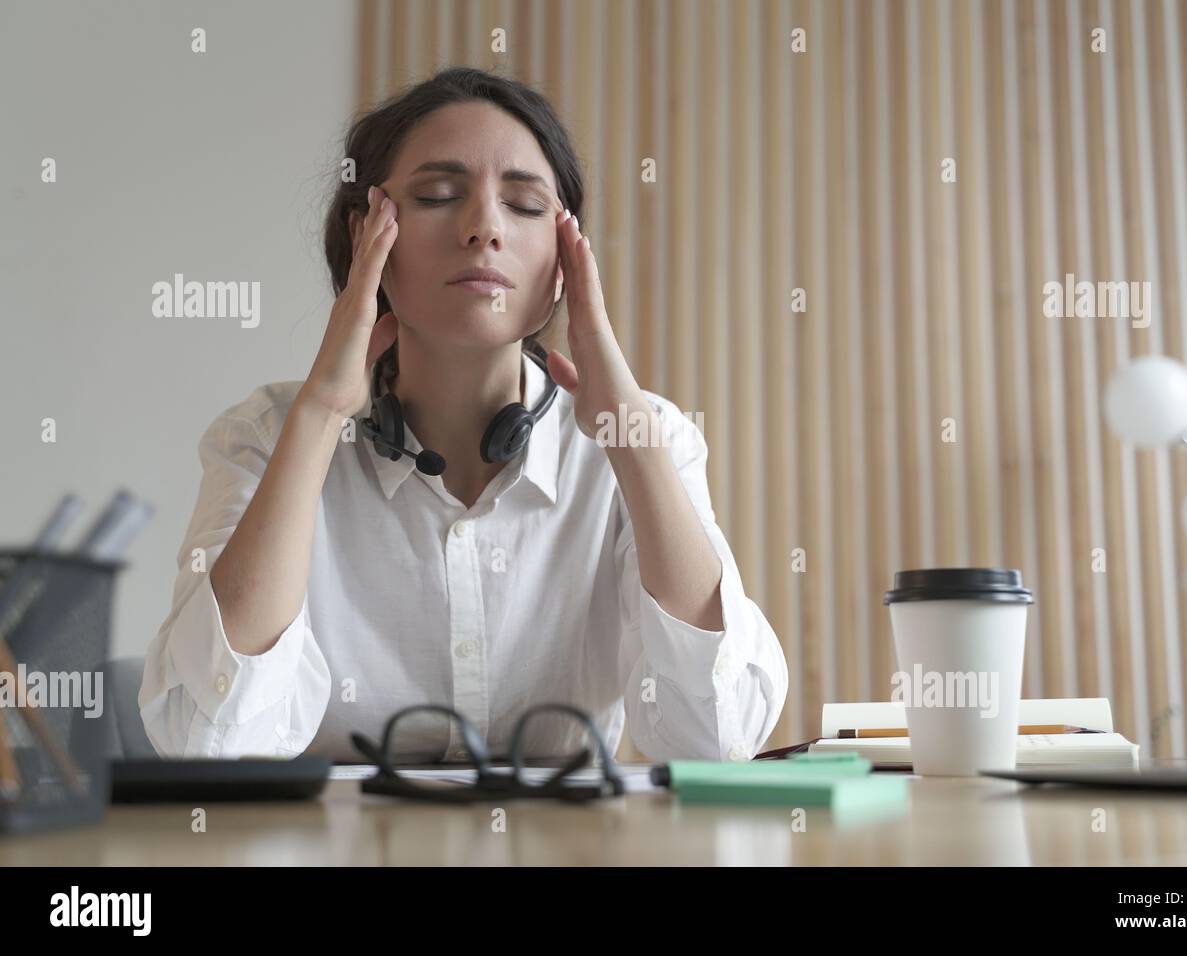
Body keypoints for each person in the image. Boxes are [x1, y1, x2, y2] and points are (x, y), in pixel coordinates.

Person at [139, 67, 788, 764]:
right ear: (367, 239)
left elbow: (719, 738)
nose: (484, 228)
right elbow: (203, 741)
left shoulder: (645, 438)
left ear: (568, 259)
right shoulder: (265, 435)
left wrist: (628, 433)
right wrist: (321, 416)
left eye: (527, 206)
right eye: (440, 196)